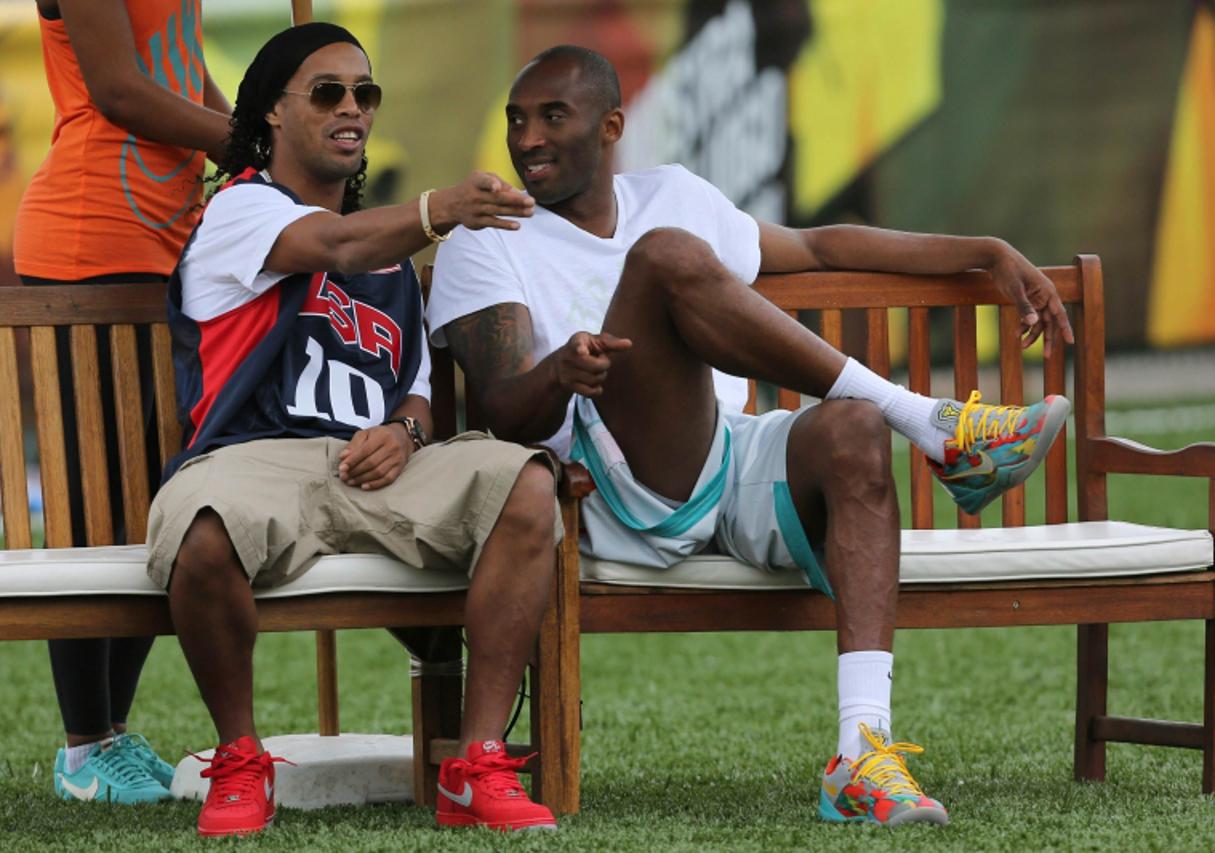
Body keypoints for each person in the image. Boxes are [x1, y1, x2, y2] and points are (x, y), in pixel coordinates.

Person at [426, 45, 1075, 827]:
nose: (526, 138)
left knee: (852, 428)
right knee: (664, 256)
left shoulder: (673, 192)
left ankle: (861, 752)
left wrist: (985, 251)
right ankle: (929, 423)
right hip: (613, 485)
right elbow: (504, 410)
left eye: (551, 116)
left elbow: (821, 247)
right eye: (515, 120)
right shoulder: (486, 237)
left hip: (725, 455)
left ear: (610, 126)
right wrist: (560, 372)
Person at [145, 23, 562, 837]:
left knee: (525, 483)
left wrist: (404, 433)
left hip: (377, 470)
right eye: (327, 92)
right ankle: (240, 758)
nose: (352, 109)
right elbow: (331, 245)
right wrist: (441, 208)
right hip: (254, 458)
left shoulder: (392, 259)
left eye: (364, 94)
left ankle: (475, 762)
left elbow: (415, 396)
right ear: (271, 111)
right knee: (202, 528)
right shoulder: (241, 207)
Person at [13, 0, 232, 804]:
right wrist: (251, 140)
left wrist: (261, 129)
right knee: (93, 505)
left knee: (152, 501)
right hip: (93, 237)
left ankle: (110, 730)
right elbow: (119, 89)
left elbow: (181, 70)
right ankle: (83, 747)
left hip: (170, 237)